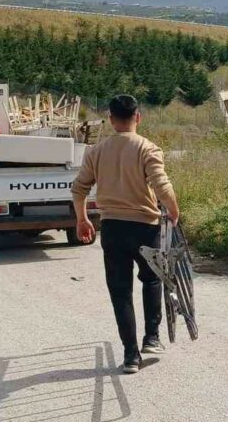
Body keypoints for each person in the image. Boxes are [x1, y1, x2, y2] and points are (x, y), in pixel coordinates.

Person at [71, 94, 180, 374]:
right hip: (146, 227)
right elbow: (162, 185)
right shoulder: (148, 148)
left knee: (120, 292)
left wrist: (82, 219)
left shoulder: (97, 151)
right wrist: (174, 210)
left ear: (110, 119)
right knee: (152, 280)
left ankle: (131, 356)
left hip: (113, 228)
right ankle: (152, 338)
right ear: (138, 117)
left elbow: (79, 187)